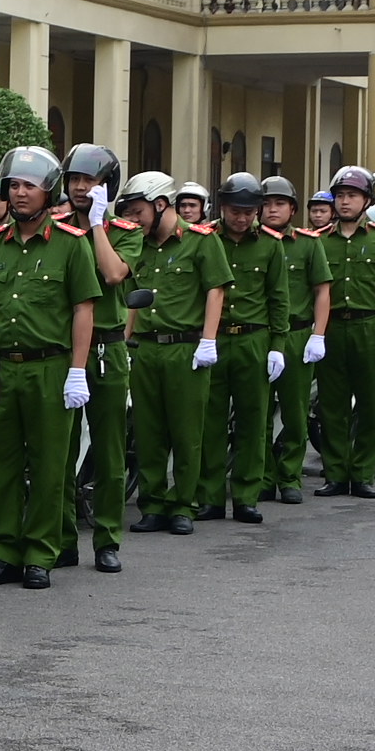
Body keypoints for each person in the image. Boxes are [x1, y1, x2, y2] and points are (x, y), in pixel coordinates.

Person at [0, 148, 101, 588]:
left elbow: (83, 309)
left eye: (29, 186)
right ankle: (4, 552)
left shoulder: (71, 244)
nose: (19, 193)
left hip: (49, 366)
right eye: (13, 186)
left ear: (49, 192)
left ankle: (40, 554)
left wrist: (77, 370)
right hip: (0, 369)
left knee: (49, 466)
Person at [122, 170, 227, 538]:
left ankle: (183, 504)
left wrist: (208, 340)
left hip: (185, 347)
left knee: (186, 431)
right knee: (148, 431)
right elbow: (131, 297)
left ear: (160, 204)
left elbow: (216, 289)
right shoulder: (138, 245)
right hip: (146, 346)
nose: (133, 220)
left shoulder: (200, 241)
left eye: (138, 212)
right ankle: (152, 504)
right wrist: (125, 340)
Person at [195, 175, 291, 524]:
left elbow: (278, 298)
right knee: (210, 420)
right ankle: (210, 496)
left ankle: (246, 496)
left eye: (249, 212)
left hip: (253, 339)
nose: (242, 218)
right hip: (215, 338)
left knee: (253, 419)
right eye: (236, 211)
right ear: (223, 207)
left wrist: (277, 345)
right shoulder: (205, 239)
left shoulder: (270, 245)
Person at [57, 144, 138, 556]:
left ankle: (107, 539)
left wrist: (96, 226)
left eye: (89, 181)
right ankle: (63, 538)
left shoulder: (126, 231)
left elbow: (112, 273)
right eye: (74, 179)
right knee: (61, 450)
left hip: (107, 348)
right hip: (64, 349)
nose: (80, 188)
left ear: (107, 186)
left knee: (109, 450)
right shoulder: (55, 228)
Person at [312, 165, 375, 497]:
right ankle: (336, 472)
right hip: (332, 327)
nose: (344, 202)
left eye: (352, 195)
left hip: (368, 327)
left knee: (370, 405)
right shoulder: (320, 241)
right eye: (340, 196)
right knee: (331, 405)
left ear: (366, 201)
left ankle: (363, 472)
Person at [259, 177, 334, 504]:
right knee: (258, 412)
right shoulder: (253, 243)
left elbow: (322, 290)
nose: (272, 210)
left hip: (296, 333)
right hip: (260, 334)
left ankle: (290, 476)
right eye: (266, 204)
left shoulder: (307, 243)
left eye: (280, 204)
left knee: (295, 411)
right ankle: (262, 476)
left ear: (292, 209)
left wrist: (318, 334)